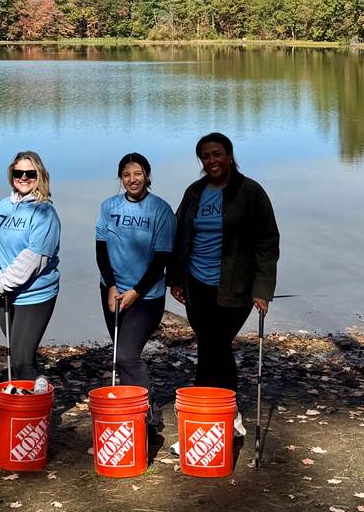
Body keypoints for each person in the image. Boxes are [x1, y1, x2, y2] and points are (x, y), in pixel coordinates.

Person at [169, 132, 279, 409]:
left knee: (216, 344)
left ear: (230, 156)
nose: (211, 160)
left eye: (217, 154)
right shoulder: (195, 192)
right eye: (205, 156)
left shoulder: (250, 192)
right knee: (209, 345)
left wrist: (263, 290)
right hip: (196, 284)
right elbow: (179, 233)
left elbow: (267, 242)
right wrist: (174, 278)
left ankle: (217, 409)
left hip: (236, 286)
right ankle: (211, 412)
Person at [96, 152, 175, 432]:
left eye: (138, 173)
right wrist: (112, 286)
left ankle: (149, 412)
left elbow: (162, 258)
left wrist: (136, 292)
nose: (133, 179)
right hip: (113, 292)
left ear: (148, 176)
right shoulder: (108, 207)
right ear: (121, 179)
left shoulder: (161, 210)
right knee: (120, 352)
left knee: (126, 355)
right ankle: (131, 414)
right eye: (127, 174)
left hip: (146, 297)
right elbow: (101, 250)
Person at [0, 151, 61, 382]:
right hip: (4, 293)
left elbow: (34, 258)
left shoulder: (45, 212)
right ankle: (28, 401)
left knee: (21, 360)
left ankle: (35, 405)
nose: (23, 177)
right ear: (11, 175)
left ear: (40, 176)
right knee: (19, 355)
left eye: (30, 173)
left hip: (35, 296)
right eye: (18, 172)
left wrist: (4, 283)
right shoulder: (1, 207)